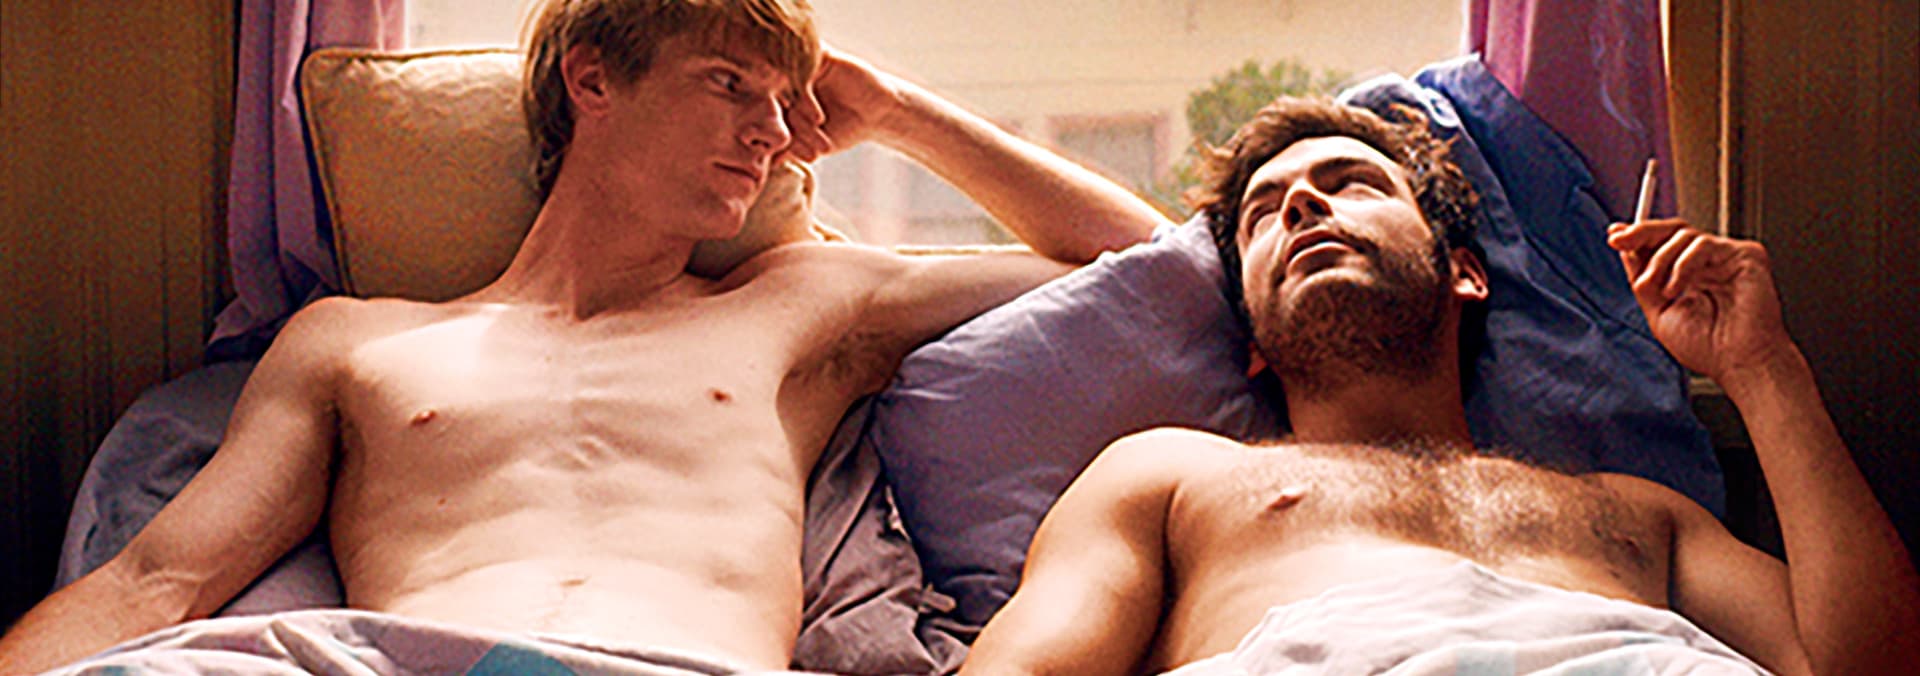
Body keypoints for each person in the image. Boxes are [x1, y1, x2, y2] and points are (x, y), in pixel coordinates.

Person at [0, 1, 1166, 672]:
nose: (774, 132)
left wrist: (904, 115)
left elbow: (1148, 270)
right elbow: (158, 580)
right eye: (730, 83)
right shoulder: (354, 341)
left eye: (786, 101)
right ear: (593, 80)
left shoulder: (799, 305)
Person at [962, 97, 1920, 675]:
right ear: (1252, 338)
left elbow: (1867, 667)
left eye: (1351, 182)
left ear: (1464, 271)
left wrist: (1763, 368)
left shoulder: (1638, 512)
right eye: (1264, 214)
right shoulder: (1167, 478)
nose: (1303, 205)